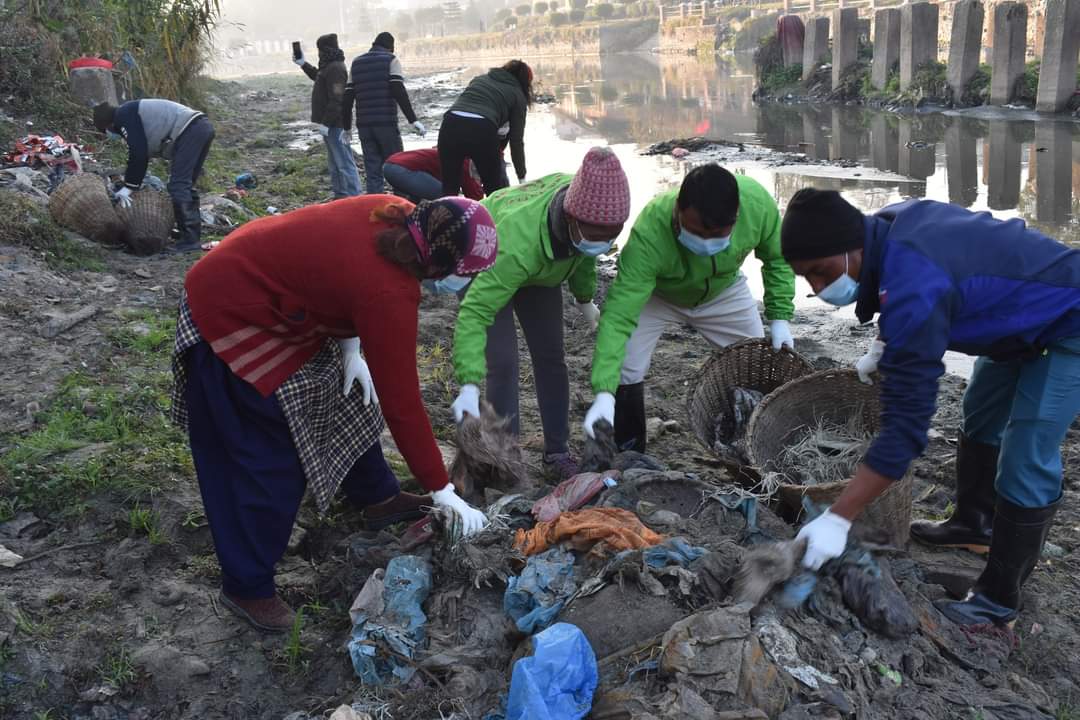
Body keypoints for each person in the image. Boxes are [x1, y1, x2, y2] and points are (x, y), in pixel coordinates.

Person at [171, 194, 498, 632]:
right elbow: (402, 404)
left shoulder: (401, 214)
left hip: (279, 296)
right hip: (231, 307)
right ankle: (246, 586)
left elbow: (331, 269)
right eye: (465, 275)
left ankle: (377, 497)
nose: (465, 284)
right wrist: (442, 490)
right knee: (269, 453)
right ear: (438, 264)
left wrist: (349, 348)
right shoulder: (389, 291)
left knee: (350, 398)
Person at [780, 188, 1080, 628]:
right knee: (979, 414)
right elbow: (905, 291)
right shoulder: (884, 226)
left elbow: (906, 429)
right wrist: (885, 343)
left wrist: (839, 517)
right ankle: (973, 523)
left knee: (1025, 454)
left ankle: (998, 601)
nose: (818, 288)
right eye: (806, 278)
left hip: (1067, 319)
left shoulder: (916, 281)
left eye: (822, 273)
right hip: (1009, 324)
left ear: (852, 248)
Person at [583, 164, 796, 453]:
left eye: (718, 235)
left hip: (723, 291)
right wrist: (604, 392)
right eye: (696, 232)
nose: (706, 243)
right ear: (678, 211)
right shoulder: (650, 231)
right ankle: (627, 450)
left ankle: (751, 446)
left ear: (736, 217)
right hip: (659, 293)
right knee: (625, 366)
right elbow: (620, 314)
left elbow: (777, 259)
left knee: (753, 366)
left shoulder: (757, 204)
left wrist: (780, 317)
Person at [451, 147, 630, 480]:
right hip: (490, 253)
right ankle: (507, 456)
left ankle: (557, 452)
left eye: (611, 237)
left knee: (551, 355)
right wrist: (468, 384)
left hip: (544, 266)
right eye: (595, 237)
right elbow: (474, 315)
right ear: (572, 219)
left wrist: (583, 298)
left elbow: (585, 257)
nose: (602, 244)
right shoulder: (515, 246)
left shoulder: (589, 204)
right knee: (502, 362)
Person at [93, 98, 215, 253]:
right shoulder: (128, 111)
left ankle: (190, 241)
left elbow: (138, 153)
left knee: (179, 185)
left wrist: (129, 187)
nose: (110, 134)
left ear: (109, 125)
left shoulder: (123, 117)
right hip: (201, 127)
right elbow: (142, 149)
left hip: (190, 130)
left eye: (106, 132)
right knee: (186, 184)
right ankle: (190, 236)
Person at [439, 60, 533, 199]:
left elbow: (470, 113)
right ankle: (494, 220)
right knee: (494, 192)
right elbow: (516, 141)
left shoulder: (480, 79)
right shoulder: (517, 95)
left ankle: (445, 219)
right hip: (482, 129)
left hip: (450, 124)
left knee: (449, 189)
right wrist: (522, 178)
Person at [347, 32, 425, 195]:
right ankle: (401, 205)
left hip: (364, 126)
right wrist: (413, 120)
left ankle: (373, 209)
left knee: (373, 171)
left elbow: (348, 97)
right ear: (391, 46)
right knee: (398, 167)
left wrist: (346, 126)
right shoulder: (391, 60)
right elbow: (398, 91)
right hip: (386, 124)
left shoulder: (356, 63)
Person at [293, 33, 361, 198]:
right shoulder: (329, 66)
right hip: (330, 124)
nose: (319, 53)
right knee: (334, 164)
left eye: (320, 49)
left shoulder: (337, 68)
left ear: (326, 49)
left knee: (344, 162)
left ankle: (354, 195)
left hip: (336, 124)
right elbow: (318, 77)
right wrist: (303, 64)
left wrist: (326, 122)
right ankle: (341, 194)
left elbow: (337, 99)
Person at [383, 147, 484, 202]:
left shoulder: (451, 151)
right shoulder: (465, 162)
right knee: (446, 196)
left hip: (390, 164)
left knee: (420, 194)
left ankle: (409, 219)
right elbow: (474, 197)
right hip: (400, 170)